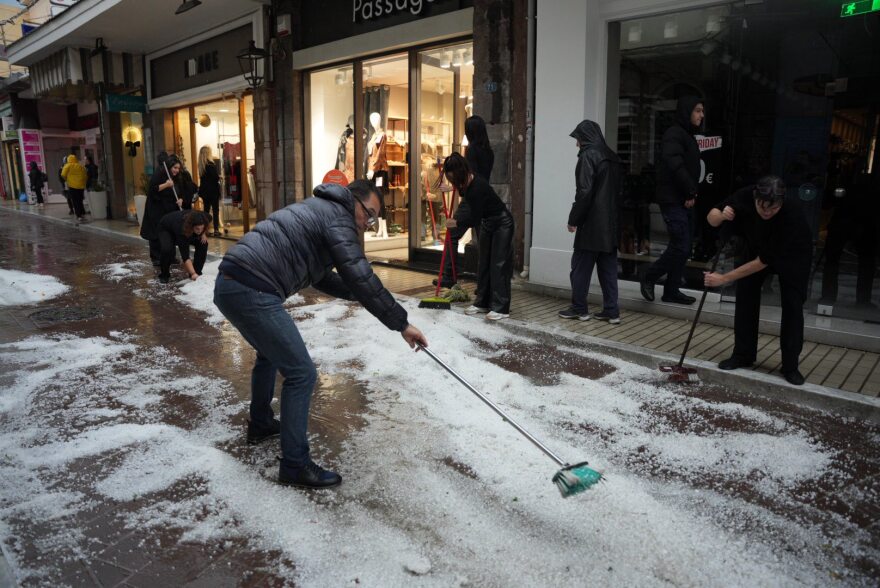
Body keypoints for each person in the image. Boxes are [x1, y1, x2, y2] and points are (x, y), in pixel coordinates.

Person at [213, 179, 428, 489]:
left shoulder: (323, 209)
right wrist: (402, 324)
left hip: (232, 282)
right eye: (368, 214)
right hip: (252, 288)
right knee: (302, 373)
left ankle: (260, 423)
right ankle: (295, 465)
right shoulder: (339, 217)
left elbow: (322, 277)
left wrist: (361, 294)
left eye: (373, 219)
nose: (367, 224)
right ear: (354, 201)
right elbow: (360, 274)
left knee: (270, 355)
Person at [704, 176, 812, 386]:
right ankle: (743, 354)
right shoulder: (744, 195)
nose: (767, 212)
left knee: (793, 304)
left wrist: (723, 278)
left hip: (793, 255)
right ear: (755, 197)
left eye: (773, 208)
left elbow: (763, 261)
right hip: (755, 245)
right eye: (762, 207)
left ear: (781, 202)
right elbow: (711, 219)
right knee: (746, 296)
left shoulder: (792, 214)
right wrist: (722, 215)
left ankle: (790, 365)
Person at [640, 96, 705, 305]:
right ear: (687, 111)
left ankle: (671, 290)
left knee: (684, 248)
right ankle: (649, 276)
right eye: (697, 110)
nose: (701, 115)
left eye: (702, 111)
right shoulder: (674, 134)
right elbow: (674, 164)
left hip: (685, 199)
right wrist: (689, 191)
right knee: (680, 246)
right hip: (674, 200)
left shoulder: (687, 136)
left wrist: (690, 194)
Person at [558, 120, 622, 323]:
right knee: (608, 271)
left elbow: (584, 192)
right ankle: (612, 311)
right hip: (611, 224)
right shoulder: (612, 156)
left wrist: (573, 219)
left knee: (580, 268)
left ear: (585, 138)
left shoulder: (588, 155)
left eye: (578, 139)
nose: (577, 144)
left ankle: (579, 308)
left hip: (592, 225)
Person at [443, 153, 513, 320]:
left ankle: (501, 307)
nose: (453, 183)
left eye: (453, 179)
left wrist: (456, 222)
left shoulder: (477, 186)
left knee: (498, 264)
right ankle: (482, 302)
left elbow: (474, 218)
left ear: (461, 173)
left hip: (502, 223)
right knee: (483, 264)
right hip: (488, 223)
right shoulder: (466, 184)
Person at [436, 115, 494, 289]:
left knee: (451, 234)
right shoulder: (489, 151)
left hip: (471, 199)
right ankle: (484, 286)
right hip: (485, 199)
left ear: (470, 132)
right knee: (484, 245)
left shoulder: (472, 150)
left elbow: (469, 177)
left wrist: (452, 187)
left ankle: (449, 275)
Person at [140, 154, 183, 266]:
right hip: (156, 209)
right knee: (156, 233)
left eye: (178, 168)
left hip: (169, 208)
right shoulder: (159, 174)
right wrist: (166, 184)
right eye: (175, 168)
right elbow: (152, 190)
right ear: (169, 166)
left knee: (170, 232)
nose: (177, 170)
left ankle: (171, 256)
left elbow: (179, 190)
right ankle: (156, 257)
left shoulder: (176, 176)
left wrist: (181, 199)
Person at [156, 209, 210, 284]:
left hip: (182, 226)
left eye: (202, 228)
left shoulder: (206, 217)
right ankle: (164, 275)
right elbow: (185, 256)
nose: (199, 231)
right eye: (197, 229)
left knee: (203, 243)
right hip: (166, 228)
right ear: (191, 226)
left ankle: (197, 272)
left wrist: (203, 233)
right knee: (167, 249)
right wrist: (193, 273)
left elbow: (203, 227)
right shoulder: (181, 230)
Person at [198, 146, 222, 236]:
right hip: (213, 191)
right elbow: (215, 177)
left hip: (205, 191)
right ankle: (216, 230)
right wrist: (219, 177)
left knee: (206, 210)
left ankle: (205, 230)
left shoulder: (201, 165)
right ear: (208, 153)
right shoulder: (211, 165)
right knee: (215, 210)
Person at [61, 154, 88, 222]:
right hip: (81, 186)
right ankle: (82, 213)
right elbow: (85, 175)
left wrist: (67, 179)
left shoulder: (67, 165)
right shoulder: (80, 166)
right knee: (80, 200)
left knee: (75, 201)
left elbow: (63, 174)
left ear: (68, 160)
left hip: (72, 186)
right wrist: (83, 183)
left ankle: (78, 215)